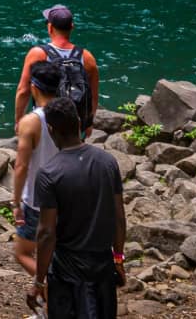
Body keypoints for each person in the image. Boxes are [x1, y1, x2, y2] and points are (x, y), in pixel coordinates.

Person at [27, 97, 125, 319]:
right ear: (79, 123)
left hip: (66, 271)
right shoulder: (108, 162)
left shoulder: (49, 173)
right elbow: (119, 217)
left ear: (51, 130)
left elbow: (46, 233)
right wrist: (118, 258)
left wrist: (38, 281)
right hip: (102, 266)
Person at [10, 61, 62, 279]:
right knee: (54, 252)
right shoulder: (69, 114)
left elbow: (21, 166)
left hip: (36, 199)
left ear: (34, 87)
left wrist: (16, 202)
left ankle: (48, 286)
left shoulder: (30, 122)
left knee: (23, 253)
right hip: (65, 196)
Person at [14, 3, 99, 129]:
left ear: (50, 27)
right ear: (72, 27)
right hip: (74, 127)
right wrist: (88, 124)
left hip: (46, 125)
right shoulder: (87, 57)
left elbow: (23, 91)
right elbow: (93, 95)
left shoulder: (38, 54)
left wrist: (18, 121)